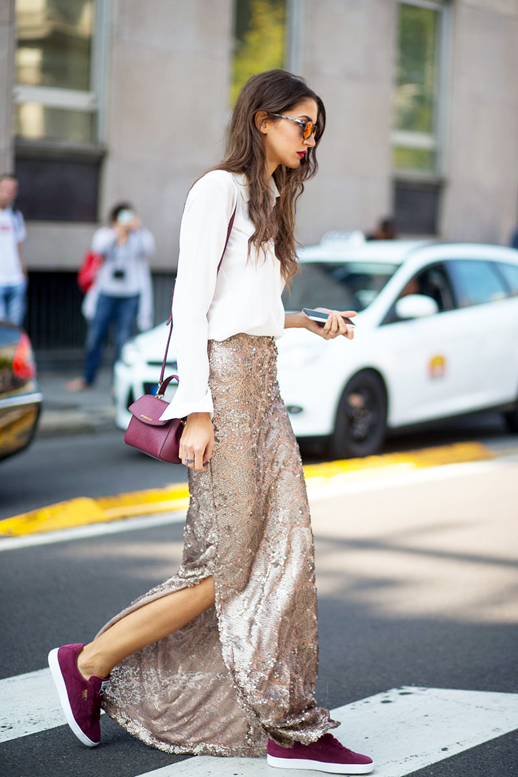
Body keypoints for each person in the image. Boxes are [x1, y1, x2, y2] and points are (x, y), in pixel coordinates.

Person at [48, 70, 374, 774]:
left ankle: (286, 720)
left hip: (264, 387)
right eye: (301, 123)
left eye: (318, 128)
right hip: (222, 393)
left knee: (284, 554)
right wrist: (197, 412)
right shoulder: (216, 191)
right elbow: (190, 307)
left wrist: (304, 321)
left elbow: (243, 308)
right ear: (261, 118)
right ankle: (91, 660)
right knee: (227, 567)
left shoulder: (271, 200)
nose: (310, 138)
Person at [67, 203, 154, 391]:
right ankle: (87, 378)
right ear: (115, 219)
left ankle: (117, 383)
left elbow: (149, 250)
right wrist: (118, 233)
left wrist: (138, 230)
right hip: (106, 294)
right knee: (95, 336)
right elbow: (98, 249)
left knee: (123, 340)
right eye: (123, 217)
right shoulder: (105, 234)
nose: (126, 221)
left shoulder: (139, 236)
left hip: (130, 295)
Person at [0, 174, 27, 326]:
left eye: (12, 190)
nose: (8, 194)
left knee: (14, 330)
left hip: (16, 279)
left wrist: (23, 272)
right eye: (5, 189)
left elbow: (18, 245)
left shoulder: (16, 217)